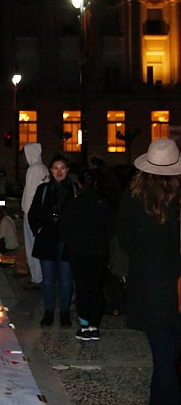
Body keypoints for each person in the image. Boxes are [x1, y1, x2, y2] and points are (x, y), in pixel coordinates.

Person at [118, 138, 181, 405]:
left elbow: (124, 239)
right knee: (171, 357)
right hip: (177, 284)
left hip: (147, 285)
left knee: (163, 356)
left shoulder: (133, 195)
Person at [60, 168, 113, 340]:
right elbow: (111, 228)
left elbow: (65, 230)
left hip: (79, 252)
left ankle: (84, 326)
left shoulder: (74, 204)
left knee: (82, 287)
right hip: (98, 252)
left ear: (80, 184)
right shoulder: (103, 203)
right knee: (95, 288)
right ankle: (94, 325)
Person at [28, 152, 76, 327]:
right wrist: (38, 229)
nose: (59, 171)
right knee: (48, 279)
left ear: (67, 170)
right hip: (47, 239)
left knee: (65, 278)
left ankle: (64, 312)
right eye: (56, 168)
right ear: (50, 170)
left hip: (67, 240)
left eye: (62, 168)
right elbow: (33, 213)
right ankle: (48, 312)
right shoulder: (43, 189)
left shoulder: (73, 189)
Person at [20, 142, 49, 286]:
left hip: (31, 212)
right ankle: (41, 275)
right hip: (40, 213)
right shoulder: (43, 168)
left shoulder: (33, 169)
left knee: (31, 245)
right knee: (39, 245)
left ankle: (36, 277)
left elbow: (30, 193)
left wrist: (27, 212)